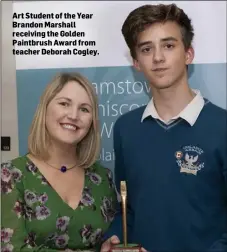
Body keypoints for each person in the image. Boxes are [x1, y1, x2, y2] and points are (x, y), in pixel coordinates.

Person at [101, 3, 227, 252]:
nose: (158, 57)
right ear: (136, 62)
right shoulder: (125, 129)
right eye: (146, 49)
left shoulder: (222, 126)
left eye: (168, 45)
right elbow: (128, 209)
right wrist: (114, 238)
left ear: (188, 54)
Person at [1, 73, 117, 252]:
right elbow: (11, 248)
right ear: (45, 109)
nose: (73, 115)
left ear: (92, 122)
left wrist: (107, 247)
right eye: (64, 103)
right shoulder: (11, 176)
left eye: (84, 109)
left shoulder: (102, 178)